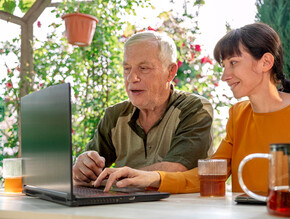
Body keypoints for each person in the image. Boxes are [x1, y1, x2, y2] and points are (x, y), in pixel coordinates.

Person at [94, 23, 290, 196]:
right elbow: (207, 175)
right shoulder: (239, 115)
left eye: (233, 63)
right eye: (223, 65)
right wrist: (153, 177)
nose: (225, 75)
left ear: (265, 62)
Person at [73, 31, 214, 186]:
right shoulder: (114, 115)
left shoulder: (194, 109)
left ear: (170, 72)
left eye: (144, 68)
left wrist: (116, 177)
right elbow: (90, 172)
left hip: (181, 207)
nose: (131, 78)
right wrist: (83, 165)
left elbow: (176, 169)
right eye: (127, 68)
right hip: (125, 208)